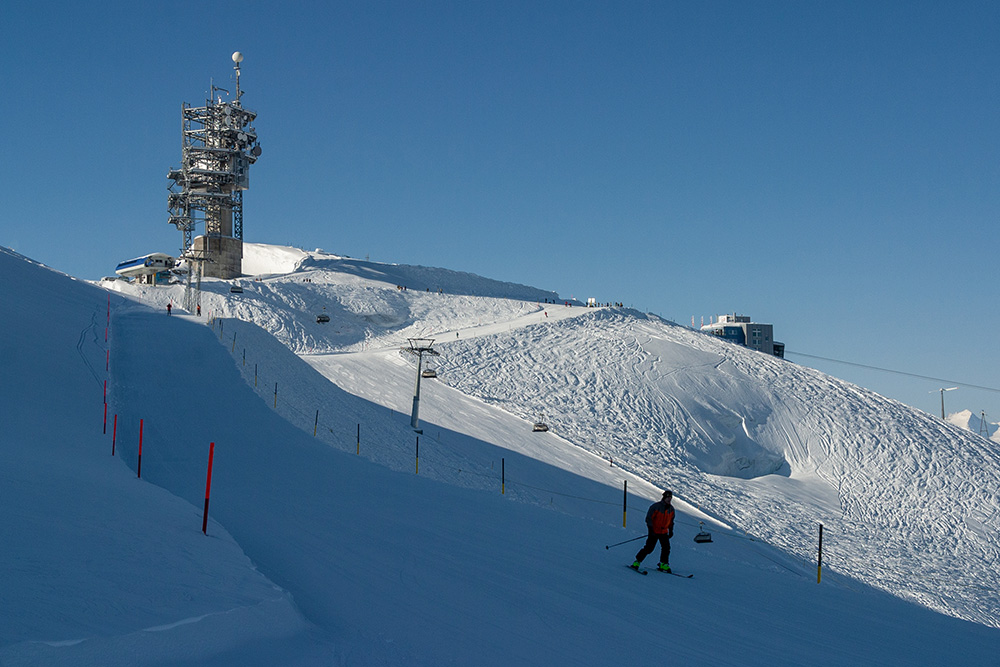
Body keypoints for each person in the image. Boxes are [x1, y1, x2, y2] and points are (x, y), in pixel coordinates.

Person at [631, 490, 675, 572]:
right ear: (664, 498)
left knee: (666, 548)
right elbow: (648, 518)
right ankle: (637, 562)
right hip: (654, 531)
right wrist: (651, 530)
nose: (669, 500)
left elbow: (671, 521)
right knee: (649, 548)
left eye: (670, 498)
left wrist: (671, 530)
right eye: (668, 498)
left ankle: (663, 564)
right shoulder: (656, 506)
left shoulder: (671, 509)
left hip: (664, 532)